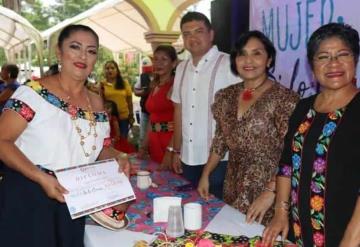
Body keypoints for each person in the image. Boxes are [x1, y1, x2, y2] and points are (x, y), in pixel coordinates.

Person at [0, 24, 130, 247]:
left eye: (91, 51)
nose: (83, 56)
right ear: (59, 53)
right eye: (75, 47)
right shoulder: (33, 92)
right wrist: (41, 177)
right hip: (29, 196)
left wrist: (118, 157)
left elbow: (99, 149)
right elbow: (2, 141)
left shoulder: (97, 102)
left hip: (74, 200)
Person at [263, 23, 360, 247]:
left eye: (342, 54)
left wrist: (350, 240)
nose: (333, 64)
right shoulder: (303, 107)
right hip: (299, 229)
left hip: (346, 232)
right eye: (323, 57)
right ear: (312, 65)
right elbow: (287, 165)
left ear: (354, 58)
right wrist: (280, 213)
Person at [197, 30, 299, 225]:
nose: (248, 60)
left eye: (257, 53)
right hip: (232, 184)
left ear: (269, 60)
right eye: (242, 54)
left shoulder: (285, 99)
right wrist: (206, 174)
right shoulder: (225, 96)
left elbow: (293, 152)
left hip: (269, 191)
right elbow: (220, 140)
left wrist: (271, 192)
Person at [171, 11, 239, 199]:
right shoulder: (181, 68)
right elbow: (178, 110)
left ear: (211, 34)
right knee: (193, 209)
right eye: (186, 34)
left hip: (221, 159)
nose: (192, 37)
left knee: (219, 214)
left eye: (198, 31)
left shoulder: (229, 64)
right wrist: (176, 150)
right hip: (188, 156)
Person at [139, 45, 177, 168]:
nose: (158, 63)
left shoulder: (176, 85)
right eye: (156, 59)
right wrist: (144, 146)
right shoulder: (154, 85)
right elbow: (152, 118)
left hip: (170, 141)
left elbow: (182, 120)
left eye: (164, 59)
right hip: (154, 140)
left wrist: (171, 151)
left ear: (174, 63)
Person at [101, 60, 134, 138]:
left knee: (122, 140)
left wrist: (131, 116)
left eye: (112, 68)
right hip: (109, 119)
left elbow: (129, 101)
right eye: (107, 68)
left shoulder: (124, 83)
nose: (110, 70)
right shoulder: (102, 84)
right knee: (111, 141)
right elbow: (101, 101)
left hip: (123, 118)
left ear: (117, 70)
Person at [134, 59, 152, 148]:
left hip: (155, 113)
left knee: (152, 136)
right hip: (145, 111)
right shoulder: (143, 77)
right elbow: (136, 91)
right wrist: (144, 92)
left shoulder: (161, 76)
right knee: (143, 135)